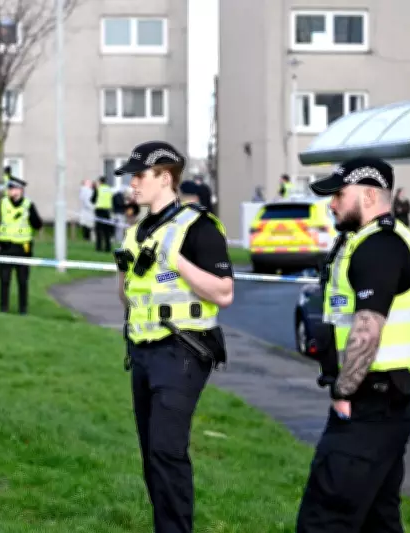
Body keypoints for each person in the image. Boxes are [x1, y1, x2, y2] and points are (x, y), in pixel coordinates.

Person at [296, 157, 410, 532]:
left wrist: (343, 390)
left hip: (371, 402)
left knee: (323, 520)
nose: (332, 203)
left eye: (339, 194)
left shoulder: (380, 247)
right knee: (377, 520)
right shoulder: (369, 242)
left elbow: (369, 328)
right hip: (383, 401)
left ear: (369, 195)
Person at [113, 141, 234, 533]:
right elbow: (128, 294)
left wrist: (175, 260)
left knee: (166, 449)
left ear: (165, 178)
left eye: (139, 176)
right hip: (143, 353)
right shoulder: (134, 233)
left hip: (183, 350)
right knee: (152, 454)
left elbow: (224, 293)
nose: (132, 184)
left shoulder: (197, 227)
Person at [0, 176, 43, 314]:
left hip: (23, 248)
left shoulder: (28, 205)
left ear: (20, 190)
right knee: (4, 280)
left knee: (23, 281)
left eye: (13, 189)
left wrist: (30, 215)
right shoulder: (3, 203)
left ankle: (23, 309)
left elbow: (38, 224)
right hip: (5, 246)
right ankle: (4, 307)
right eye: (9, 189)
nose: (10, 191)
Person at [92, 176, 114, 252]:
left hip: (99, 211)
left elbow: (92, 200)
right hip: (107, 211)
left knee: (99, 230)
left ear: (100, 181)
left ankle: (99, 247)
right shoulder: (109, 189)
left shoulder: (98, 189)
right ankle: (108, 248)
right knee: (107, 231)